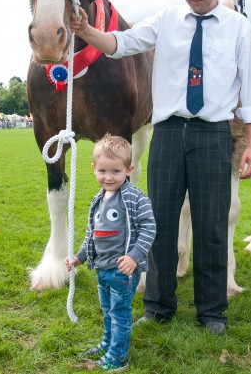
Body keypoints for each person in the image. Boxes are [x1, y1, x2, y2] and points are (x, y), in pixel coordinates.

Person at [69, 0, 251, 335]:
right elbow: (119, 43)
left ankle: (212, 312)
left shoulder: (238, 28)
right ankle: (158, 306)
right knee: (156, 223)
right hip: (169, 133)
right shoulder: (167, 20)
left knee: (211, 225)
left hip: (213, 133)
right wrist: (84, 31)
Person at [66, 134, 156, 371]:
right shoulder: (98, 200)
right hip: (102, 269)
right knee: (107, 311)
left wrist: (134, 257)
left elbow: (149, 227)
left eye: (116, 171)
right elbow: (91, 236)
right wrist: (79, 257)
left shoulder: (136, 198)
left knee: (120, 314)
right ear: (94, 169)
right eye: (103, 171)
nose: (108, 177)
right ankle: (108, 342)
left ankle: (118, 356)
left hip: (122, 271)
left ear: (129, 170)